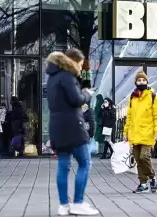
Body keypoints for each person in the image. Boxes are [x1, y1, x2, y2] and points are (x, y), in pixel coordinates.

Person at [46, 48, 98, 215]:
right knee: (85, 163)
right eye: (81, 64)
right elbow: (76, 100)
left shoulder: (52, 78)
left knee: (63, 165)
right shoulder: (68, 76)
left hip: (57, 127)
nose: (81, 68)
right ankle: (78, 203)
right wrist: (86, 94)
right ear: (73, 61)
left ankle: (63, 205)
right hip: (73, 127)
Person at [123, 71, 157, 193]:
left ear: (147, 82)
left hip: (148, 133)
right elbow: (129, 116)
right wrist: (125, 132)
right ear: (136, 82)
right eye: (139, 80)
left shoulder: (153, 96)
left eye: (143, 80)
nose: (141, 82)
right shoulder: (132, 97)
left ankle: (152, 178)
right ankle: (143, 183)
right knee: (138, 159)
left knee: (144, 156)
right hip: (135, 133)